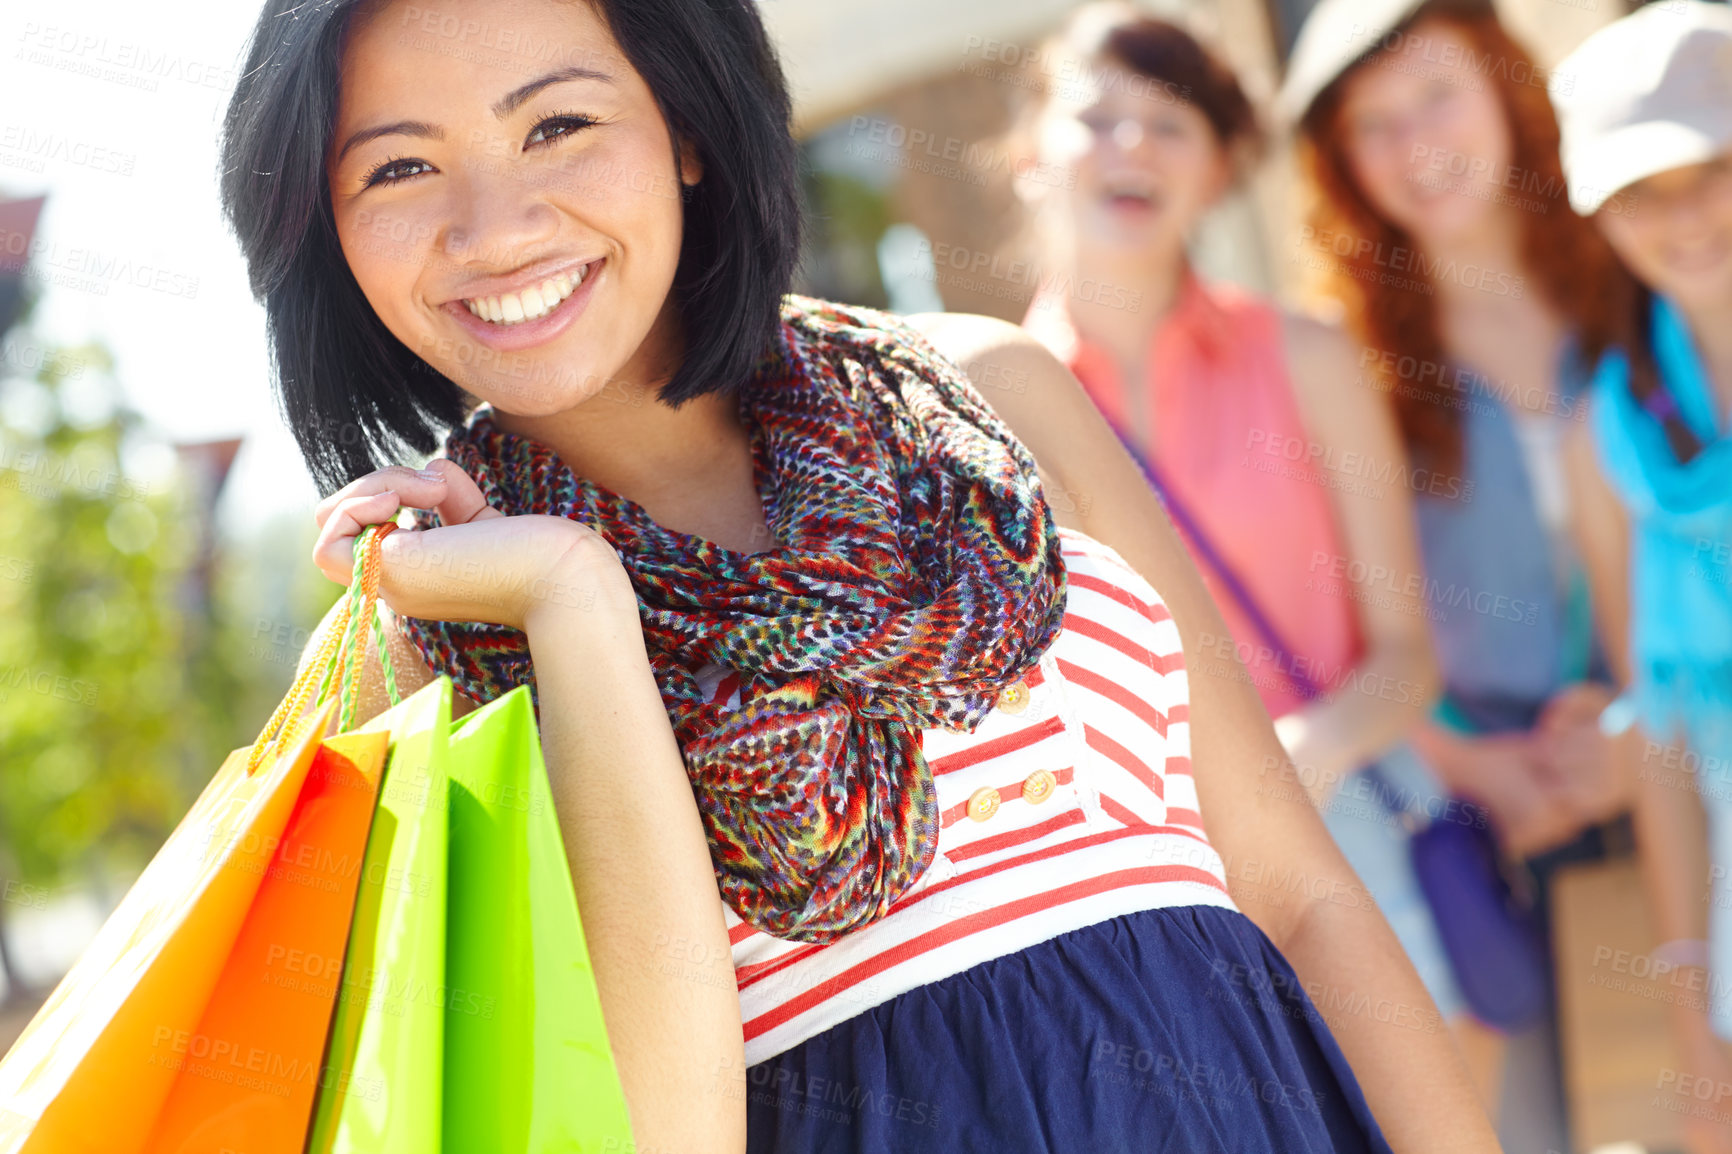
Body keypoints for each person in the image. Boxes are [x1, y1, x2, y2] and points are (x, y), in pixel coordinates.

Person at [219, 0, 1498, 1150]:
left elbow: (1300, 889)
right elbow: (652, 1130)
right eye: (397, 165)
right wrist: (569, 597)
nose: (495, 228)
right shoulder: (421, 637)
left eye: (556, 125)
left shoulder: (990, 399)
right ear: (324, 228)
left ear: (687, 125)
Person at [1013, 2, 1467, 1040]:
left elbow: (1406, 656)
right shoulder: (974, 411)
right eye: (1097, 117)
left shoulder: (1309, 359)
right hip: (1145, 903)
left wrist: (1290, 759)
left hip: (1349, 850)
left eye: (1171, 123)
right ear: (1028, 152)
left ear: (1218, 170)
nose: (1131, 145)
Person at [1281, 0, 1637, 1127]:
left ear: (1502, 85)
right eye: (1372, 123)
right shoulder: (1343, 361)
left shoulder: (1637, 272)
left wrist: (1640, 737)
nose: (1415, 143)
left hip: (1674, 763)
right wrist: (1484, 771)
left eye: (1436, 94)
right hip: (1477, 825)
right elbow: (1341, 625)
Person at [1547, 7, 1732, 1152]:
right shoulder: (1604, 432)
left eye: (1705, 170)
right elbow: (1657, 737)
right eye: (1636, 191)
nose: (1678, 217)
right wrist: (1688, 1010)